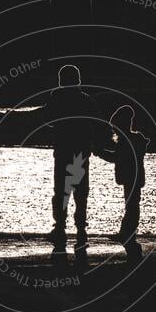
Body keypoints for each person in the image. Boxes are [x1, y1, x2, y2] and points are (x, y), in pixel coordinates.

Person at [42, 65, 104, 260]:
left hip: (63, 150)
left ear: (62, 80)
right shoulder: (86, 99)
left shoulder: (56, 99)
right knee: (80, 192)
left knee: (61, 191)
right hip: (81, 152)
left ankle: (60, 228)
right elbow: (97, 121)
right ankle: (81, 231)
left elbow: (48, 119)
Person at [97, 105, 150, 262]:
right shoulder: (135, 139)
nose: (114, 131)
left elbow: (116, 158)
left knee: (132, 206)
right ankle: (127, 233)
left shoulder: (127, 141)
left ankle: (127, 234)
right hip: (134, 178)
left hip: (130, 178)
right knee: (132, 206)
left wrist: (100, 153)